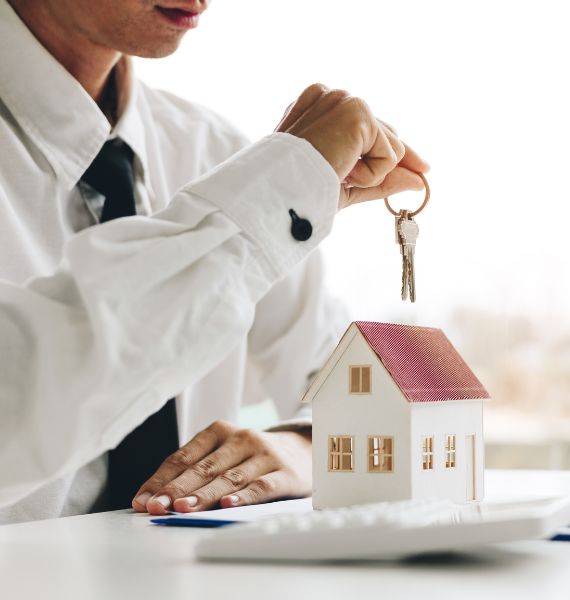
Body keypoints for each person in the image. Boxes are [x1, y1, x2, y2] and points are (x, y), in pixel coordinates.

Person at [0, 0, 428, 523]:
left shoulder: (215, 151)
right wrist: (266, 200)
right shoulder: (251, 184)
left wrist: (305, 446)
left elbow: (371, 389)